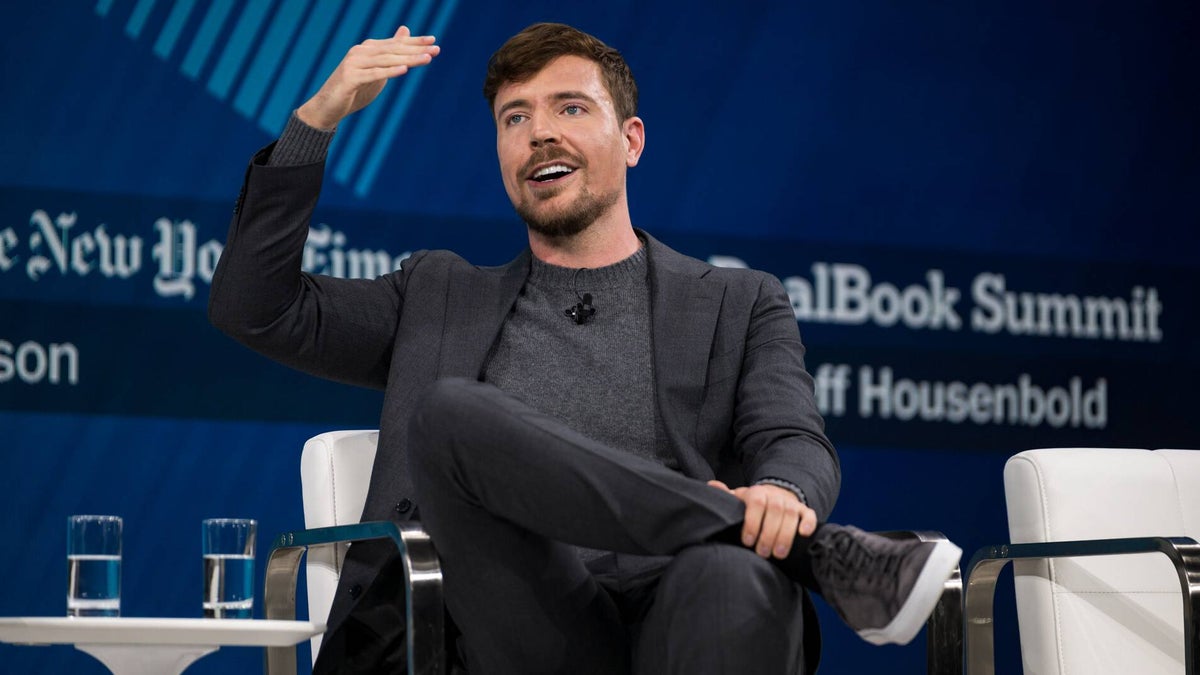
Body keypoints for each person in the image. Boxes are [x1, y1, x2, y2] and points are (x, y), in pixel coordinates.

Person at [209, 22, 961, 675]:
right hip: (516, 622)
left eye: (570, 107)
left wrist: (785, 497)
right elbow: (252, 306)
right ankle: (812, 551)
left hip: (688, 599)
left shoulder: (739, 300)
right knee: (448, 417)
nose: (540, 132)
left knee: (734, 577)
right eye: (515, 118)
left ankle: (738, 537)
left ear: (631, 140)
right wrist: (318, 117)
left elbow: (792, 438)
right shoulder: (437, 295)